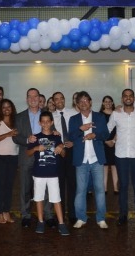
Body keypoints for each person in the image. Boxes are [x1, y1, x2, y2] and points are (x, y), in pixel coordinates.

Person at [13, 88, 54, 228]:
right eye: (29, 96)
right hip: (26, 156)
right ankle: (26, 215)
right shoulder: (19, 117)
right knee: (25, 188)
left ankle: (48, 215)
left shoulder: (47, 115)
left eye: (35, 96)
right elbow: (15, 137)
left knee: (46, 187)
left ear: (39, 98)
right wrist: (26, 140)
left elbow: (53, 132)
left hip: (45, 156)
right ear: (26, 99)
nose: (33, 99)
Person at [68, 91, 109, 229]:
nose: (83, 103)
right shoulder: (73, 119)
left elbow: (105, 134)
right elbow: (71, 136)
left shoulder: (99, 117)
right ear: (77, 104)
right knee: (80, 190)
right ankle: (81, 218)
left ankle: (101, 218)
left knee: (100, 190)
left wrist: (95, 135)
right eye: (80, 101)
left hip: (96, 159)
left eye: (86, 100)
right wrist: (81, 129)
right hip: (81, 160)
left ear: (90, 102)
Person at [27, 111, 71, 236]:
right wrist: (36, 148)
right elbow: (28, 153)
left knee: (56, 199)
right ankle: (40, 222)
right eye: (43, 121)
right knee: (39, 198)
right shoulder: (35, 137)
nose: (45, 124)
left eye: (48, 121)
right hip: (39, 173)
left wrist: (61, 148)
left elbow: (64, 155)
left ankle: (61, 223)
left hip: (53, 174)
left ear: (52, 122)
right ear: (39, 123)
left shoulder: (56, 137)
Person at [108, 89, 135, 226]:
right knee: (123, 186)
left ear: (134, 98)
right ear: (122, 99)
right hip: (121, 155)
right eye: (125, 96)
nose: (128, 98)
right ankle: (123, 215)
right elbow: (108, 129)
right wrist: (110, 140)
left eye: (130, 96)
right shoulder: (116, 114)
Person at [0, 99, 19, 224]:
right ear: (0, 109)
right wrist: (7, 134)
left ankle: (7, 211)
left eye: (9, 107)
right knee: (1, 184)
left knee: (9, 185)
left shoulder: (16, 121)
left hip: (13, 157)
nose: (6, 109)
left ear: (12, 108)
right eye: (4, 107)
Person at [52, 91, 78, 224]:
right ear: (53, 102)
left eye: (61, 98)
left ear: (64, 99)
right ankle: (60, 213)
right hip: (58, 153)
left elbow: (79, 132)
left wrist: (74, 142)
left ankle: (72, 213)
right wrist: (58, 145)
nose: (59, 101)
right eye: (56, 99)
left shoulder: (73, 113)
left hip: (72, 151)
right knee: (59, 184)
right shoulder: (50, 117)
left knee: (72, 184)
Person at [100, 95, 119, 195]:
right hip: (103, 143)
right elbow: (99, 130)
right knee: (105, 166)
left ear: (112, 103)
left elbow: (120, 128)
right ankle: (105, 188)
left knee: (115, 165)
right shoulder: (99, 115)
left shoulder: (117, 114)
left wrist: (113, 141)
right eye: (106, 101)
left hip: (116, 142)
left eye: (109, 101)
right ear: (103, 103)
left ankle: (116, 188)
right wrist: (106, 141)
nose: (108, 103)